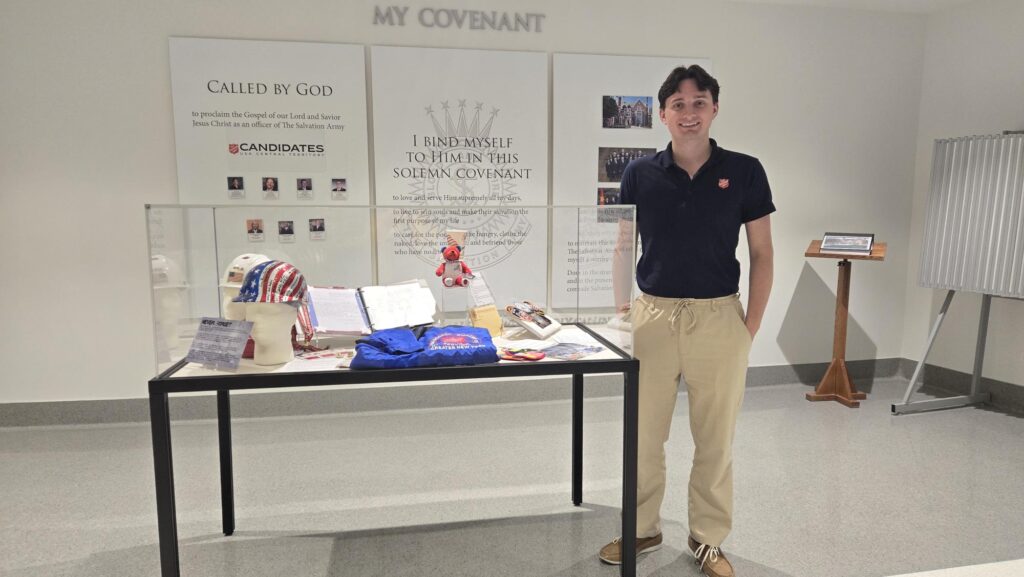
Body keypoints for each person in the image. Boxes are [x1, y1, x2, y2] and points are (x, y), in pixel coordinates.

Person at [600, 65, 775, 577]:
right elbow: (622, 245)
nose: (689, 112)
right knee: (643, 434)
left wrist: (751, 325)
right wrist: (621, 313)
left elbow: (762, 252)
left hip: (719, 317)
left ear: (714, 108)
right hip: (652, 315)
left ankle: (707, 539)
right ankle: (642, 527)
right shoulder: (638, 173)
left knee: (715, 439)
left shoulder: (744, 170)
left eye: (699, 102)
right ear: (662, 114)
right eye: (678, 104)